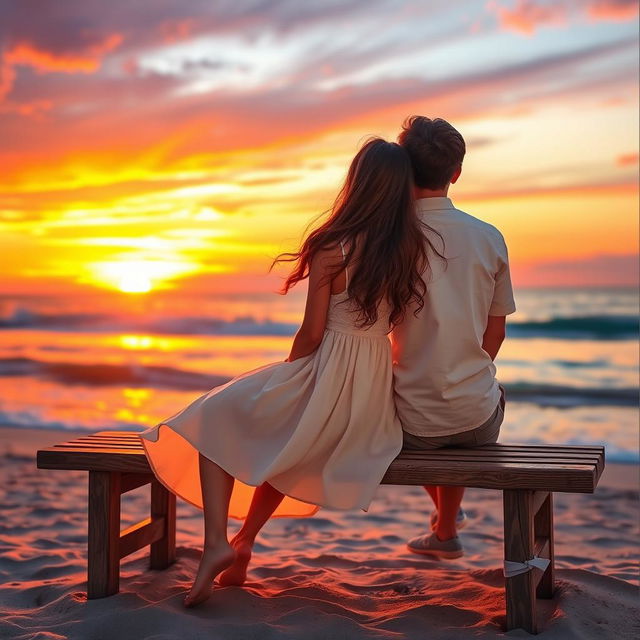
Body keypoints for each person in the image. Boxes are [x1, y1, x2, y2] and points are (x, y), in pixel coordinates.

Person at [140, 137, 445, 607]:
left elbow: (312, 332)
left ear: (356, 185)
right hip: (370, 394)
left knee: (215, 414)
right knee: (290, 438)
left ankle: (218, 540)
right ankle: (241, 544)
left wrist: (288, 373)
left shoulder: (332, 247)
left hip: (329, 369)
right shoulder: (409, 249)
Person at [391, 116, 516, 559]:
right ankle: (445, 529)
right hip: (479, 420)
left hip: (411, 424)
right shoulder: (489, 237)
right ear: (456, 173)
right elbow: (494, 333)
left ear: (403, 168)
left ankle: (446, 528)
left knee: (419, 417)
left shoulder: (391, 240)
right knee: (469, 406)